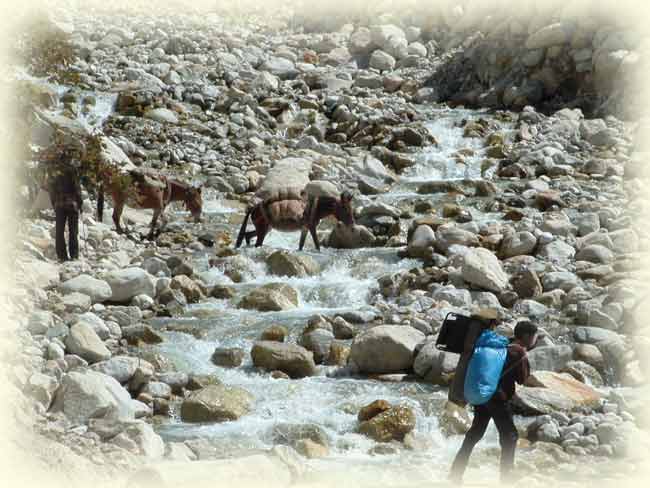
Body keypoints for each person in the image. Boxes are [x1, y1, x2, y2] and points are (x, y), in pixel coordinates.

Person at [448, 320, 538, 485]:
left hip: (483, 396)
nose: (535, 340)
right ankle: (506, 479)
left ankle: (455, 473)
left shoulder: (502, 346)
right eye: (534, 336)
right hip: (499, 399)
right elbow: (522, 379)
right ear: (526, 336)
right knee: (510, 436)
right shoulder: (519, 352)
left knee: (474, 434)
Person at [48, 163, 83, 261]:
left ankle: (62, 256)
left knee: (59, 231)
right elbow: (77, 188)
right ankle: (74, 255)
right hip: (72, 205)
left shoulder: (55, 174)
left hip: (59, 205)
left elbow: (51, 191)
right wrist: (80, 203)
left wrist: (54, 204)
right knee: (73, 231)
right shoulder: (72, 171)